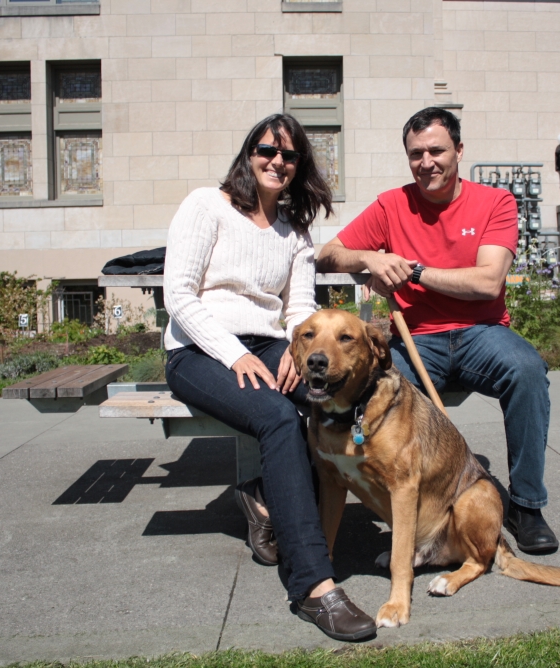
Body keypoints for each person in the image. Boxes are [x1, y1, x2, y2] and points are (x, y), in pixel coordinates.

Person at [162, 114, 376, 642]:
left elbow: (298, 307)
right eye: (266, 150)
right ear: (248, 154)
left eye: (289, 155)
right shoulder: (205, 205)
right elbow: (180, 296)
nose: (277, 161)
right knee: (280, 418)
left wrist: (297, 351)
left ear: (300, 164)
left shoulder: (295, 232)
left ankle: (267, 493)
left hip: (270, 347)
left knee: (348, 395)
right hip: (199, 350)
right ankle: (313, 586)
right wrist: (234, 355)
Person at [317, 107, 558, 555]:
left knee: (526, 370)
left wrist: (413, 271)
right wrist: (368, 258)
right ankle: (381, 493)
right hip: (416, 338)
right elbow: (328, 255)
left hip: (481, 332)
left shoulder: (495, 203)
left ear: (459, 151)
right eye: (416, 154)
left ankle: (527, 506)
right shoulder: (392, 204)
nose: (426, 162)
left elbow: (488, 281)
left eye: (436, 150)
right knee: (363, 389)